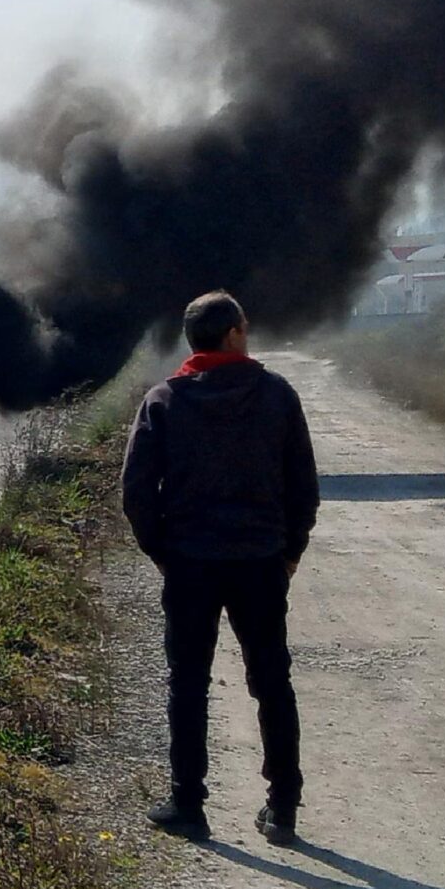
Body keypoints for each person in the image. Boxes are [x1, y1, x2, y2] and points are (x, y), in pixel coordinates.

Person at [120, 291, 318, 845]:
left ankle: (189, 805)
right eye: (245, 326)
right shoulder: (277, 395)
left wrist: (163, 550)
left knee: (188, 683)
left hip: (190, 565)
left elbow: (135, 492)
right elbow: (304, 485)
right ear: (234, 331)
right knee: (272, 681)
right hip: (259, 562)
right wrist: (290, 549)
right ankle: (283, 808)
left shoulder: (165, 399)